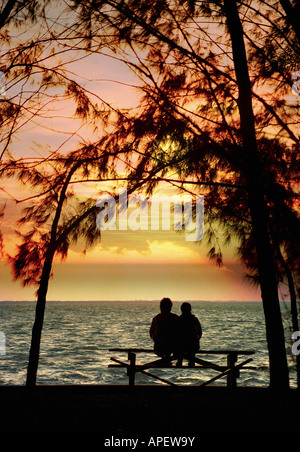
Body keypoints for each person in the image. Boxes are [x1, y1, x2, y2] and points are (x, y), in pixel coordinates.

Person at [150, 297, 179, 363]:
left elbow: (151, 333)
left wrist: (156, 340)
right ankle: (168, 358)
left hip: (159, 347)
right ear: (170, 307)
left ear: (161, 307)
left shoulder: (156, 318)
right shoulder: (175, 318)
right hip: (172, 347)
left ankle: (165, 358)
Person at [177, 302, 202, 367]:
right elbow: (200, 333)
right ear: (190, 309)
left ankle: (179, 361)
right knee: (192, 344)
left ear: (181, 310)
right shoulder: (194, 320)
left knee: (180, 342)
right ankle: (191, 360)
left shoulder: (179, 320)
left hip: (181, 347)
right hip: (193, 346)